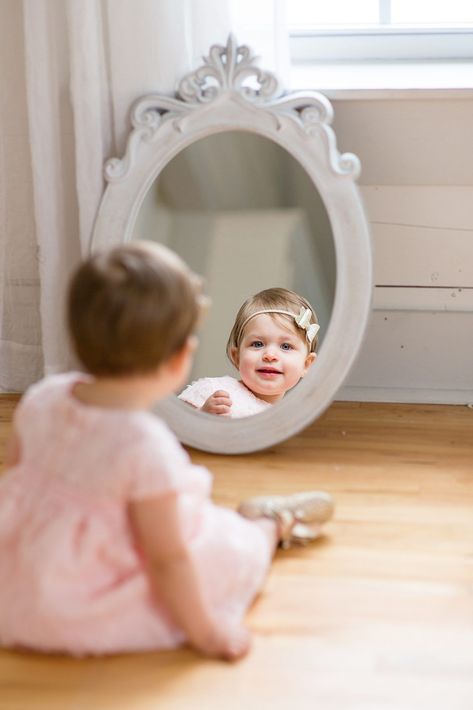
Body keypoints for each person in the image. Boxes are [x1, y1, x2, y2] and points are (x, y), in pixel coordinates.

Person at [0, 243, 334, 661]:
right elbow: (168, 560)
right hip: (78, 598)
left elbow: (13, 486)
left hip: (21, 579)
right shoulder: (145, 444)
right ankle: (272, 524)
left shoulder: (42, 397)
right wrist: (208, 634)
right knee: (226, 549)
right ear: (180, 359)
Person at [179, 287, 320, 418]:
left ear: (307, 364)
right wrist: (202, 415)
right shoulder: (215, 391)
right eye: (257, 344)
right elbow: (170, 431)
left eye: (286, 346)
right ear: (236, 357)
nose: (270, 355)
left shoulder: (292, 419)